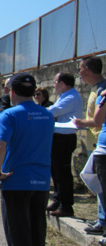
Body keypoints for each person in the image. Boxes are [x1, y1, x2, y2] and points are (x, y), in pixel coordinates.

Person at [0, 72, 54, 246]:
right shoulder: (47, 115)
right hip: (42, 181)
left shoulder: (9, 115)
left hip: (16, 180)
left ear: (11, 91)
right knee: (37, 226)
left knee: (17, 230)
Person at [75, 57, 106, 234]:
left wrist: (83, 123)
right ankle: (101, 217)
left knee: (100, 183)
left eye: (80, 68)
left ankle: (103, 220)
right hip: (97, 141)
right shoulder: (96, 89)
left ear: (87, 69)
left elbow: (97, 120)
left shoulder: (103, 90)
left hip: (101, 142)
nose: (79, 72)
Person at [46, 72, 84, 217]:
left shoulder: (71, 97)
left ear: (62, 83)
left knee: (62, 172)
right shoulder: (64, 96)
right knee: (55, 171)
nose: (54, 85)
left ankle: (66, 205)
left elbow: (52, 112)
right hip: (58, 137)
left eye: (55, 82)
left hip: (64, 138)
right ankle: (58, 199)